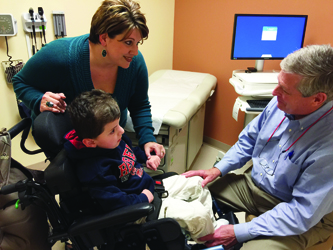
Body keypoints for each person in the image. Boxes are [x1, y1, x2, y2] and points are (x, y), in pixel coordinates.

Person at [183, 44, 333, 249]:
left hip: (302, 214)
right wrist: (217, 169)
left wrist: (239, 232)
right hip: (255, 187)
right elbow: (249, 140)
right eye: (278, 83)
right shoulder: (280, 102)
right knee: (191, 193)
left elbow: (301, 214)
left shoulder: (328, 146)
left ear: (317, 99)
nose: (274, 92)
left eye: (285, 90)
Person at [12, 0, 164, 166]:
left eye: (137, 43)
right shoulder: (60, 56)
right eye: (128, 42)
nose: (135, 51)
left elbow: (139, 104)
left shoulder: (134, 63)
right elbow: (20, 81)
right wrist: (38, 99)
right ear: (104, 38)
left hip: (110, 144)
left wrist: (147, 139)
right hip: (70, 147)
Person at [64, 89, 228, 242]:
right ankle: (210, 240)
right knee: (197, 215)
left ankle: (207, 228)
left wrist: (146, 157)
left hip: (150, 188)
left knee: (198, 182)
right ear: (90, 142)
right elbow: (114, 203)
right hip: (139, 209)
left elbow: (131, 152)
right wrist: (143, 198)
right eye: (113, 130)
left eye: (119, 124)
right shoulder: (95, 170)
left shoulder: (113, 142)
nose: (121, 131)